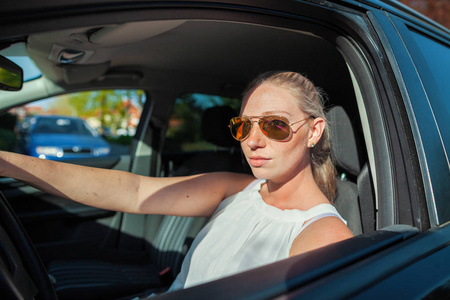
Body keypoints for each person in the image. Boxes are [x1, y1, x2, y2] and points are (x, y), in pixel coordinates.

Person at [0, 71, 353, 293]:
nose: (253, 141)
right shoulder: (237, 189)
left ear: (313, 132)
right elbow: (133, 191)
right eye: (244, 126)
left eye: (275, 125)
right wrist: (8, 163)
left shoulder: (322, 235)